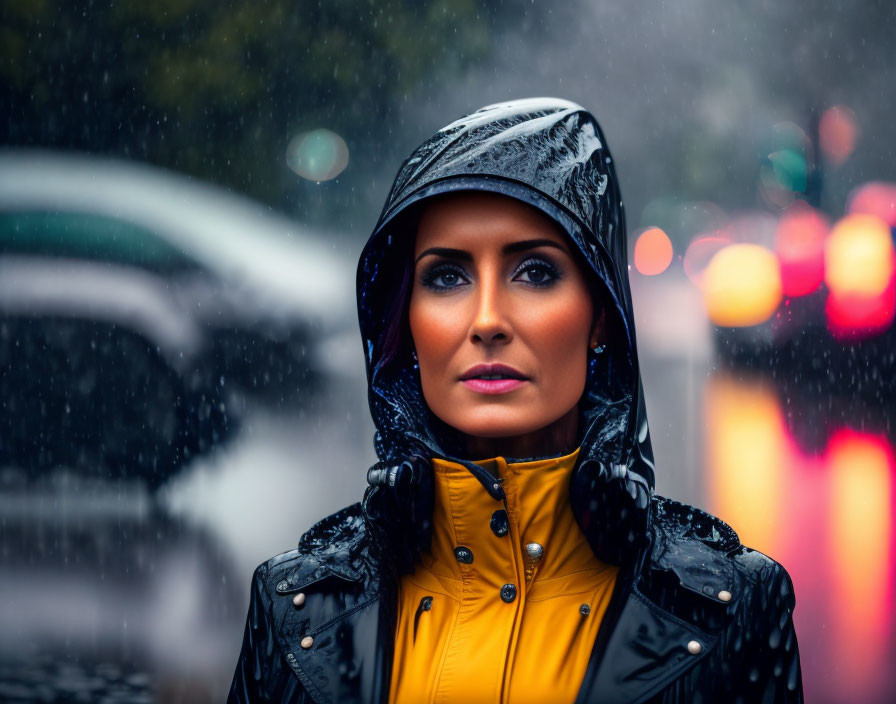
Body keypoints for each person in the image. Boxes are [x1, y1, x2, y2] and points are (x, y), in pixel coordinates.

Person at [228, 98, 803, 703]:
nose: (487, 320)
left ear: (601, 314)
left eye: (534, 271)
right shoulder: (293, 608)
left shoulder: (735, 607)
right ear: (407, 320)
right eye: (446, 276)